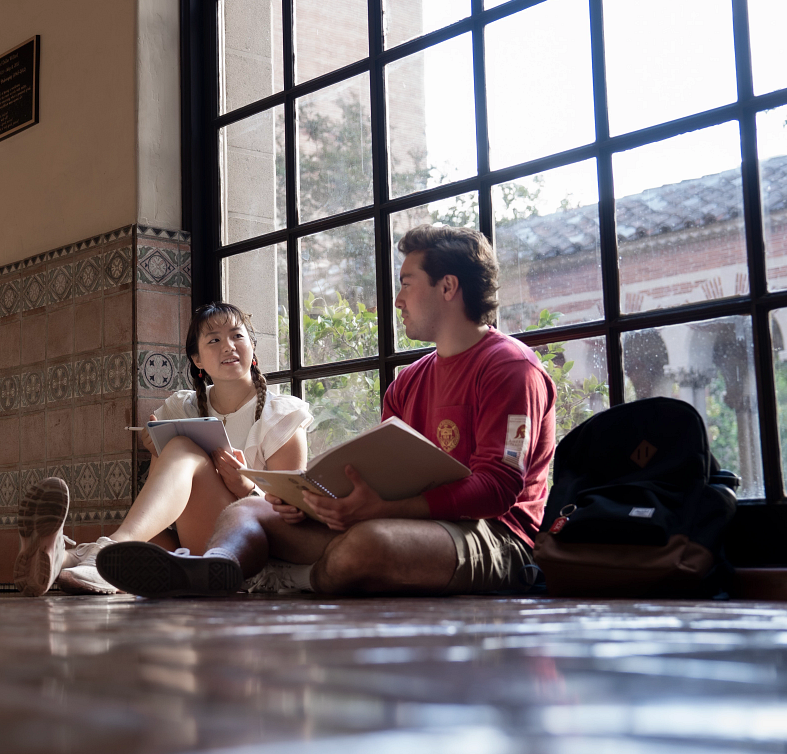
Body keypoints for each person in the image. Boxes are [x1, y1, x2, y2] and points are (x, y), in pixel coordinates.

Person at [94, 225, 556, 598]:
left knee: (369, 544)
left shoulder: (510, 368)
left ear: (448, 287)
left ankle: (291, 583)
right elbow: (388, 472)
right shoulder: (409, 382)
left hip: (491, 537)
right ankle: (213, 570)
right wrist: (314, 500)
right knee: (249, 512)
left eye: (407, 284)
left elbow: (498, 489)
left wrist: (384, 510)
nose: (397, 300)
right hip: (404, 520)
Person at [13, 302, 313, 596]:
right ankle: (63, 558)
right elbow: (164, 502)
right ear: (197, 359)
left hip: (245, 548)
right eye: (214, 340)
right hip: (193, 538)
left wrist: (246, 489)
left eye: (237, 336)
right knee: (146, 532)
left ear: (252, 345)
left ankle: (101, 552)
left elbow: (291, 518)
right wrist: (156, 449)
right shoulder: (181, 406)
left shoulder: (282, 415)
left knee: (181, 446)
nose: (228, 346)